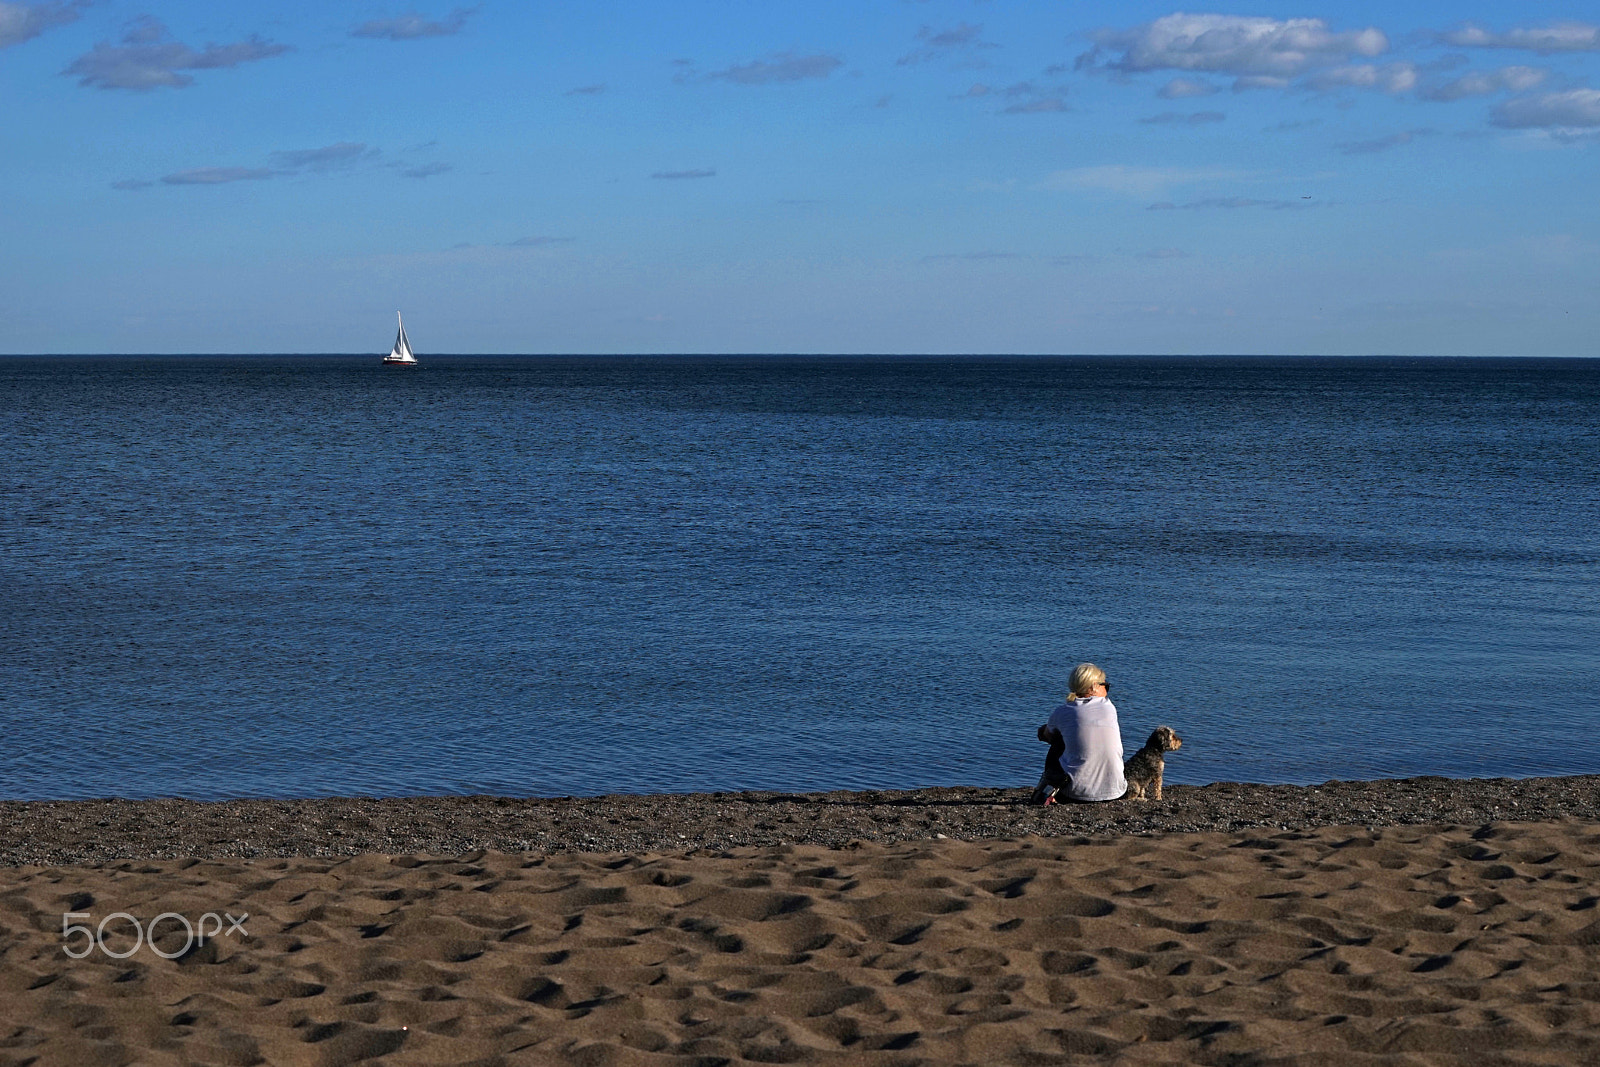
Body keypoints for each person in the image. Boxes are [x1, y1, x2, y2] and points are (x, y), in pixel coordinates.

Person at [1030, 662, 1127, 804]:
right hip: (1116, 791)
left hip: (1075, 794)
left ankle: (1048, 791)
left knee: (1057, 742)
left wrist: (1051, 729)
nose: (1107, 690)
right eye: (1105, 686)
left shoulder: (1062, 712)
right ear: (1094, 687)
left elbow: (1046, 736)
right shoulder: (1109, 707)